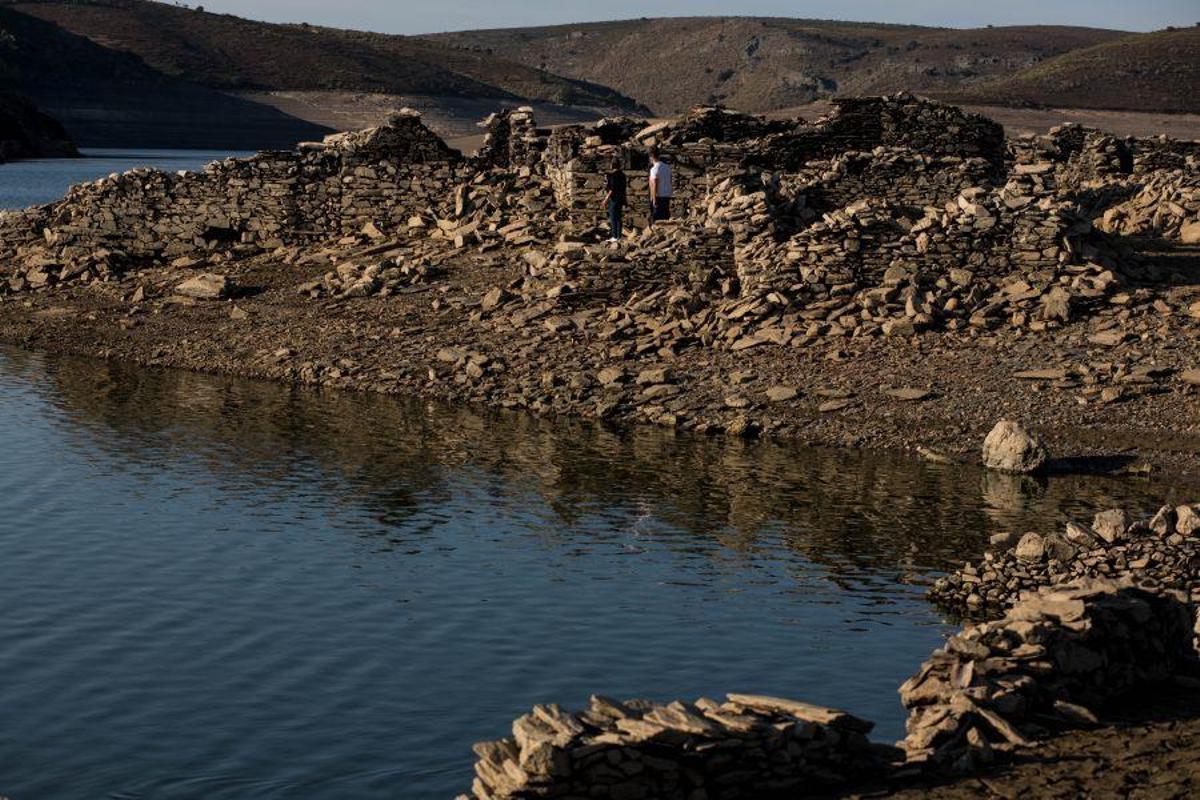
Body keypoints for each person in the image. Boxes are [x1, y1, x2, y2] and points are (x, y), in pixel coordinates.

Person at [602, 155, 627, 243]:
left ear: (612, 165)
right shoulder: (623, 175)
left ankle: (614, 236)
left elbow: (612, 189)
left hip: (614, 199)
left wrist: (605, 200)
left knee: (613, 217)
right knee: (618, 217)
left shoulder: (614, 175)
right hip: (621, 198)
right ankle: (619, 236)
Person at [648, 146, 673, 225]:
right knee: (665, 218)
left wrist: (654, 198)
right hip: (666, 195)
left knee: (656, 220)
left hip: (658, 197)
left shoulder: (654, 169)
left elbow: (654, 184)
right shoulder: (667, 167)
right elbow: (670, 180)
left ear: (651, 157)